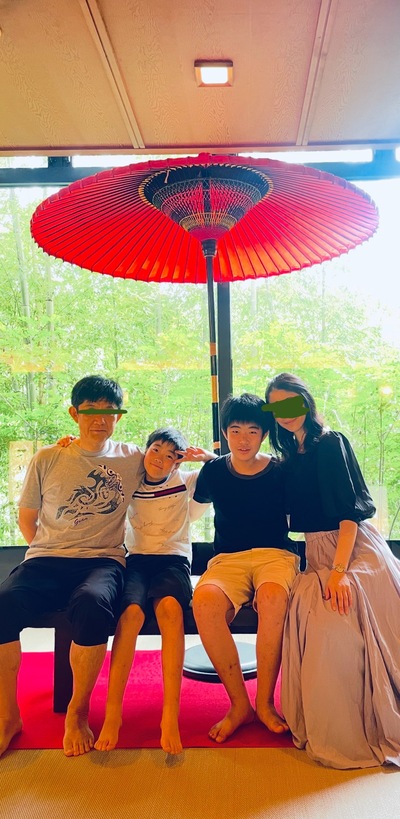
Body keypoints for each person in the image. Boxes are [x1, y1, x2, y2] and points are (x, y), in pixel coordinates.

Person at [0, 375, 144, 759]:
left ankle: (77, 713)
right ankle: (8, 716)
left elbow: (171, 462)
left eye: (109, 411)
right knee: (3, 603)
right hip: (46, 559)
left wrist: (205, 457)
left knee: (93, 604)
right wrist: (48, 548)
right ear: (74, 414)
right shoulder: (48, 457)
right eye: (91, 411)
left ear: (119, 416)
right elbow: (27, 517)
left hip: (102, 561)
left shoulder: (133, 458)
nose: (100, 419)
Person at [265, 372, 400, 769]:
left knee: (333, 622)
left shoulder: (329, 443)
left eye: (292, 404)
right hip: (317, 553)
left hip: (352, 549)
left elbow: (348, 516)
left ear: (306, 402)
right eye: (277, 407)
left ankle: (357, 723)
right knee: (311, 614)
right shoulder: (291, 455)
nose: (286, 414)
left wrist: (340, 573)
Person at [93, 427, 214, 755]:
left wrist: (205, 456)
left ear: (178, 462)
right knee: (130, 615)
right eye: (155, 450)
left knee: (170, 611)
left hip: (174, 560)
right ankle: (113, 714)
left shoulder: (185, 481)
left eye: (170, 456)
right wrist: (70, 443)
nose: (160, 459)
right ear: (145, 451)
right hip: (136, 561)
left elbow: (224, 470)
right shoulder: (130, 479)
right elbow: (98, 458)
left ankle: (170, 716)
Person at [192, 393, 300, 743]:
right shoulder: (213, 471)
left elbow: (302, 515)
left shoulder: (281, 471)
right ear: (225, 433)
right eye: (235, 431)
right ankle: (239, 704)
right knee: (204, 602)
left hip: (275, 556)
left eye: (252, 431)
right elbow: (190, 508)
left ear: (264, 435)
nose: (243, 439)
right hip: (228, 559)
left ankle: (265, 703)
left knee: (273, 598)